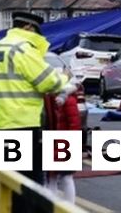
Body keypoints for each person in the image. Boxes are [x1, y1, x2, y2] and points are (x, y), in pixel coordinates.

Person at [0, 12, 73, 185]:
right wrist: (65, 77)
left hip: (2, 120)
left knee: (8, 181)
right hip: (24, 122)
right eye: (37, 32)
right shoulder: (23, 49)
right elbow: (49, 82)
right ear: (28, 27)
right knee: (29, 184)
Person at [43, 66, 81, 203]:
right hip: (59, 142)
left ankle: (65, 207)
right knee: (58, 178)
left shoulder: (64, 100)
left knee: (60, 178)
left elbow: (74, 123)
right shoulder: (54, 98)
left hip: (64, 142)